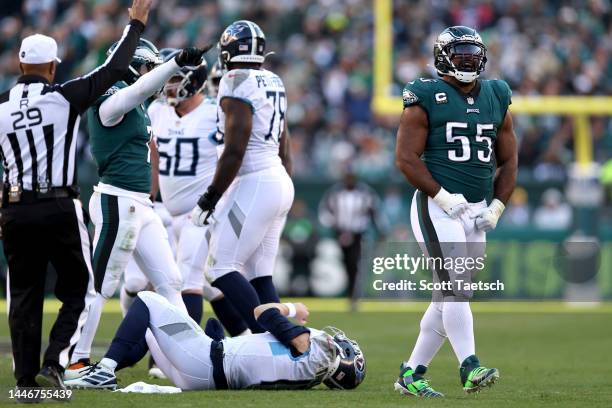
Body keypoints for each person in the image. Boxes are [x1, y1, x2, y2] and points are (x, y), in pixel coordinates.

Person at [0, 0, 152, 389]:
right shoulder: (63, 96)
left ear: (19, 67)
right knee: (82, 287)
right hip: (59, 206)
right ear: (53, 67)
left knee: (23, 296)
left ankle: (25, 383)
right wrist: (135, 24)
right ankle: (55, 363)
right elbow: (115, 69)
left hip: (16, 208)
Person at [64, 38, 210, 380]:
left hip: (141, 205)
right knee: (102, 283)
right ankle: (76, 361)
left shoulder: (139, 104)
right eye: (148, 66)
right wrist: (174, 65)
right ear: (134, 66)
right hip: (118, 200)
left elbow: (143, 90)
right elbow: (138, 89)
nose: (151, 75)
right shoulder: (110, 100)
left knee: (170, 282)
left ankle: (196, 355)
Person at [394, 26, 517, 396]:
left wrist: (497, 205)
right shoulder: (426, 95)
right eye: (460, 52)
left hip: (476, 209)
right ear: (443, 56)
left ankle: (411, 374)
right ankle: (470, 366)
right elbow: (405, 158)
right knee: (455, 292)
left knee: (446, 296)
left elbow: (509, 161)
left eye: (472, 52)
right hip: (437, 206)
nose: (468, 59)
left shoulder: (497, 94)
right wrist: (443, 196)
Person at [191, 21, 294, 333]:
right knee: (259, 276)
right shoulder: (274, 79)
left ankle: (283, 338)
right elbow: (285, 147)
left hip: (257, 179)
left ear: (228, 51)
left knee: (219, 268)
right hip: (278, 179)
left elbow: (235, 150)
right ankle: (282, 351)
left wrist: (210, 197)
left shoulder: (235, 79)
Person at [65, 291, 366, 391]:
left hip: (202, 360)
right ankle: (106, 369)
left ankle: (104, 371)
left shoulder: (319, 354)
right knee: (147, 326)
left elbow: (261, 312)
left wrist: (291, 309)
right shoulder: (311, 372)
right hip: (203, 374)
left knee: (146, 300)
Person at [147, 53, 247, 335]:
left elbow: (233, 156)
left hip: (201, 210)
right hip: (168, 210)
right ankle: (244, 334)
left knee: (186, 278)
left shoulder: (214, 111)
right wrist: (150, 197)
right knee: (202, 283)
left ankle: (182, 348)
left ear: (195, 80)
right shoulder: (157, 111)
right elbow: (153, 157)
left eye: (175, 78)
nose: (169, 85)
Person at [318, 170, 387, 308]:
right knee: (346, 263)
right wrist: (336, 227)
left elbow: (374, 213)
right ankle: (351, 294)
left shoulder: (365, 194)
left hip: (358, 234)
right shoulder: (335, 194)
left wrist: (381, 231)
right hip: (340, 233)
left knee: (355, 263)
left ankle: (354, 296)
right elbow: (324, 212)